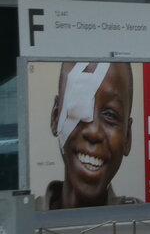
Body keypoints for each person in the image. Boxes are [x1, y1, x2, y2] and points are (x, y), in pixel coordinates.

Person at [39, 61, 139, 210]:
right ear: (55, 117)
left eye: (110, 115)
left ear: (127, 137)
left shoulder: (143, 226)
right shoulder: (20, 225)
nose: (93, 132)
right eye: (79, 106)